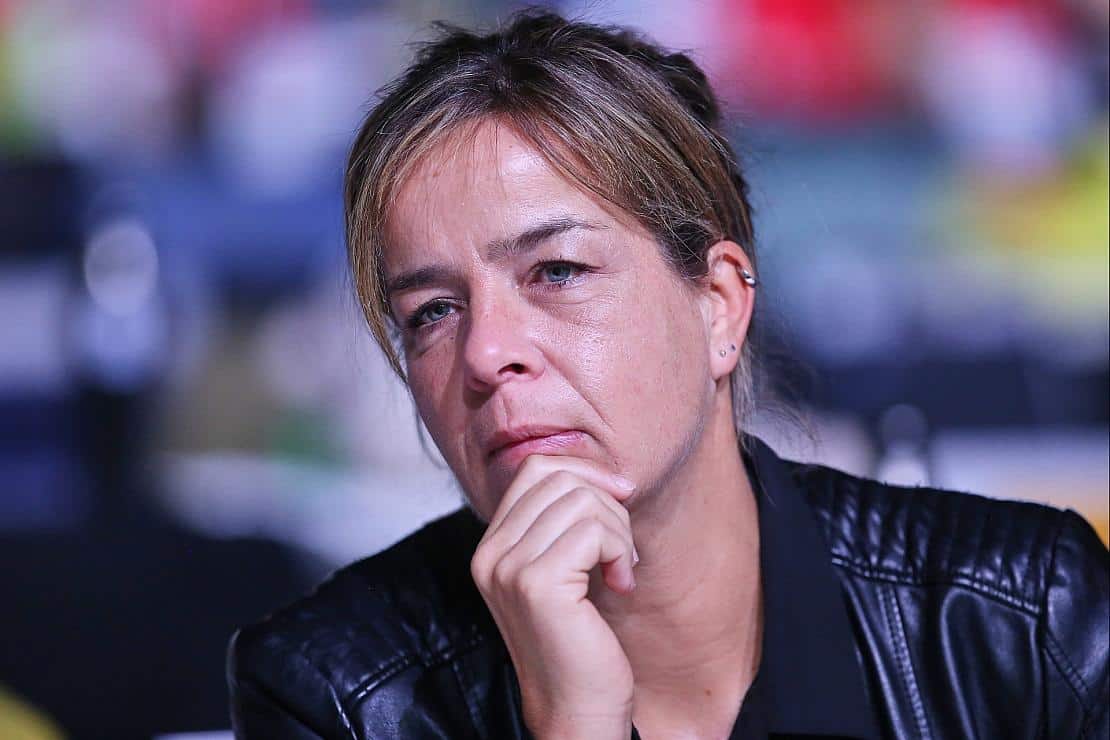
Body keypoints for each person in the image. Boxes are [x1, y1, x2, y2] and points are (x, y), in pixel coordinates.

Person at [227, 11, 1109, 739]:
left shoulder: (1025, 616)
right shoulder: (335, 696)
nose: (487, 353)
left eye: (557, 272)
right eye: (432, 312)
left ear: (718, 305)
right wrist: (575, 725)